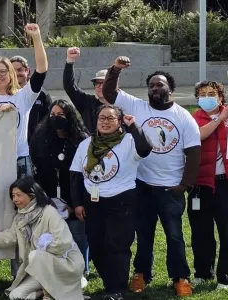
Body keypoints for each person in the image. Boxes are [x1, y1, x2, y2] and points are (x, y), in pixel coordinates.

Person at [102, 56, 201, 297]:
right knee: (143, 234)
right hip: (142, 185)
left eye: (160, 84)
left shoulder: (183, 116)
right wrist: (115, 70)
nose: (155, 88)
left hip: (171, 189)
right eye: (152, 85)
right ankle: (141, 274)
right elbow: (109, 92)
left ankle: (180, 277)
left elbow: (194, 152)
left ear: (170, 88)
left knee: (174, 236)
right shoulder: (137, 106)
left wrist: (185, 185)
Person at [0, 22, 48, 290]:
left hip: (19, 162)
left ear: (12, 75)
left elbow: (41, 69)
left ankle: (21, 271)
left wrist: (36, 38)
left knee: (24, 217)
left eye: (4, 71)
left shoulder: (23, 98)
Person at [70, 105, 152, 300]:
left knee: (118, 245)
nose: (105, 122)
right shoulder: (86, 144)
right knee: (97, 244)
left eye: (110, 118)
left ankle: (118, 288)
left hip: (121, 200)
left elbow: (146, 148)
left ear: (120, 121)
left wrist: (133, 127)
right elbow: (75, 175)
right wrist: (78, 203)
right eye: (101, 118)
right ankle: (109, 284)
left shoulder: (129, 142)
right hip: (93, 201)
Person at [0, 177, 85, 300]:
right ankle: (54, 291)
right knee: (15, 296)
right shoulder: (19, 218)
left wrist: (41, 247)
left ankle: (50, 294)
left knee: (35, 255)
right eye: (13, 195)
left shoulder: (49, 212)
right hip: (38, 268)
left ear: (31, 195)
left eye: (19, 195)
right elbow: (8, 238)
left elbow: (63, 243)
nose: (15, 199)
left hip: (64, 266)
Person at [188, 81, 228, 290]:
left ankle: (225, 277)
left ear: (221, 97)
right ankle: (203, 272)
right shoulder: (192, 118)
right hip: (200, 185)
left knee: (227, 232)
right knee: (201, 232)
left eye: (211, 93)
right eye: (202, 94)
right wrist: (220, 119)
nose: (206, 97)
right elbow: (197, 136)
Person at [28, 99, 91, 287]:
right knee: (51, 237)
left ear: (70, 117)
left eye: (61, 115)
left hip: (74, 194)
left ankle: (81, 270)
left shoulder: (82, 140)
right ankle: (55, 271)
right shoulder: (41, 137)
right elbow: (37, 167)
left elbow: (85, 174)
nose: (56, 118)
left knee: (78, 235)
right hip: (49, 196)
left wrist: (75, 203)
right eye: (53, 114)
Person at [0, 22, 51, 141]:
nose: (16, 73)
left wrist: (36, 37)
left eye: (20, 70)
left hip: (26, 152)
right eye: (12, 70)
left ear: (27, 70)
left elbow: (41, 69)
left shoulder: (26, 95)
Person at [63, 47, 109, 133]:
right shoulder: (87, 102)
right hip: (90, 145)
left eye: (104, 83)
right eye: (97, 83)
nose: (100, 86)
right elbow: (69, 86)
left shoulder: (122, 103)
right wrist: (70, 60)